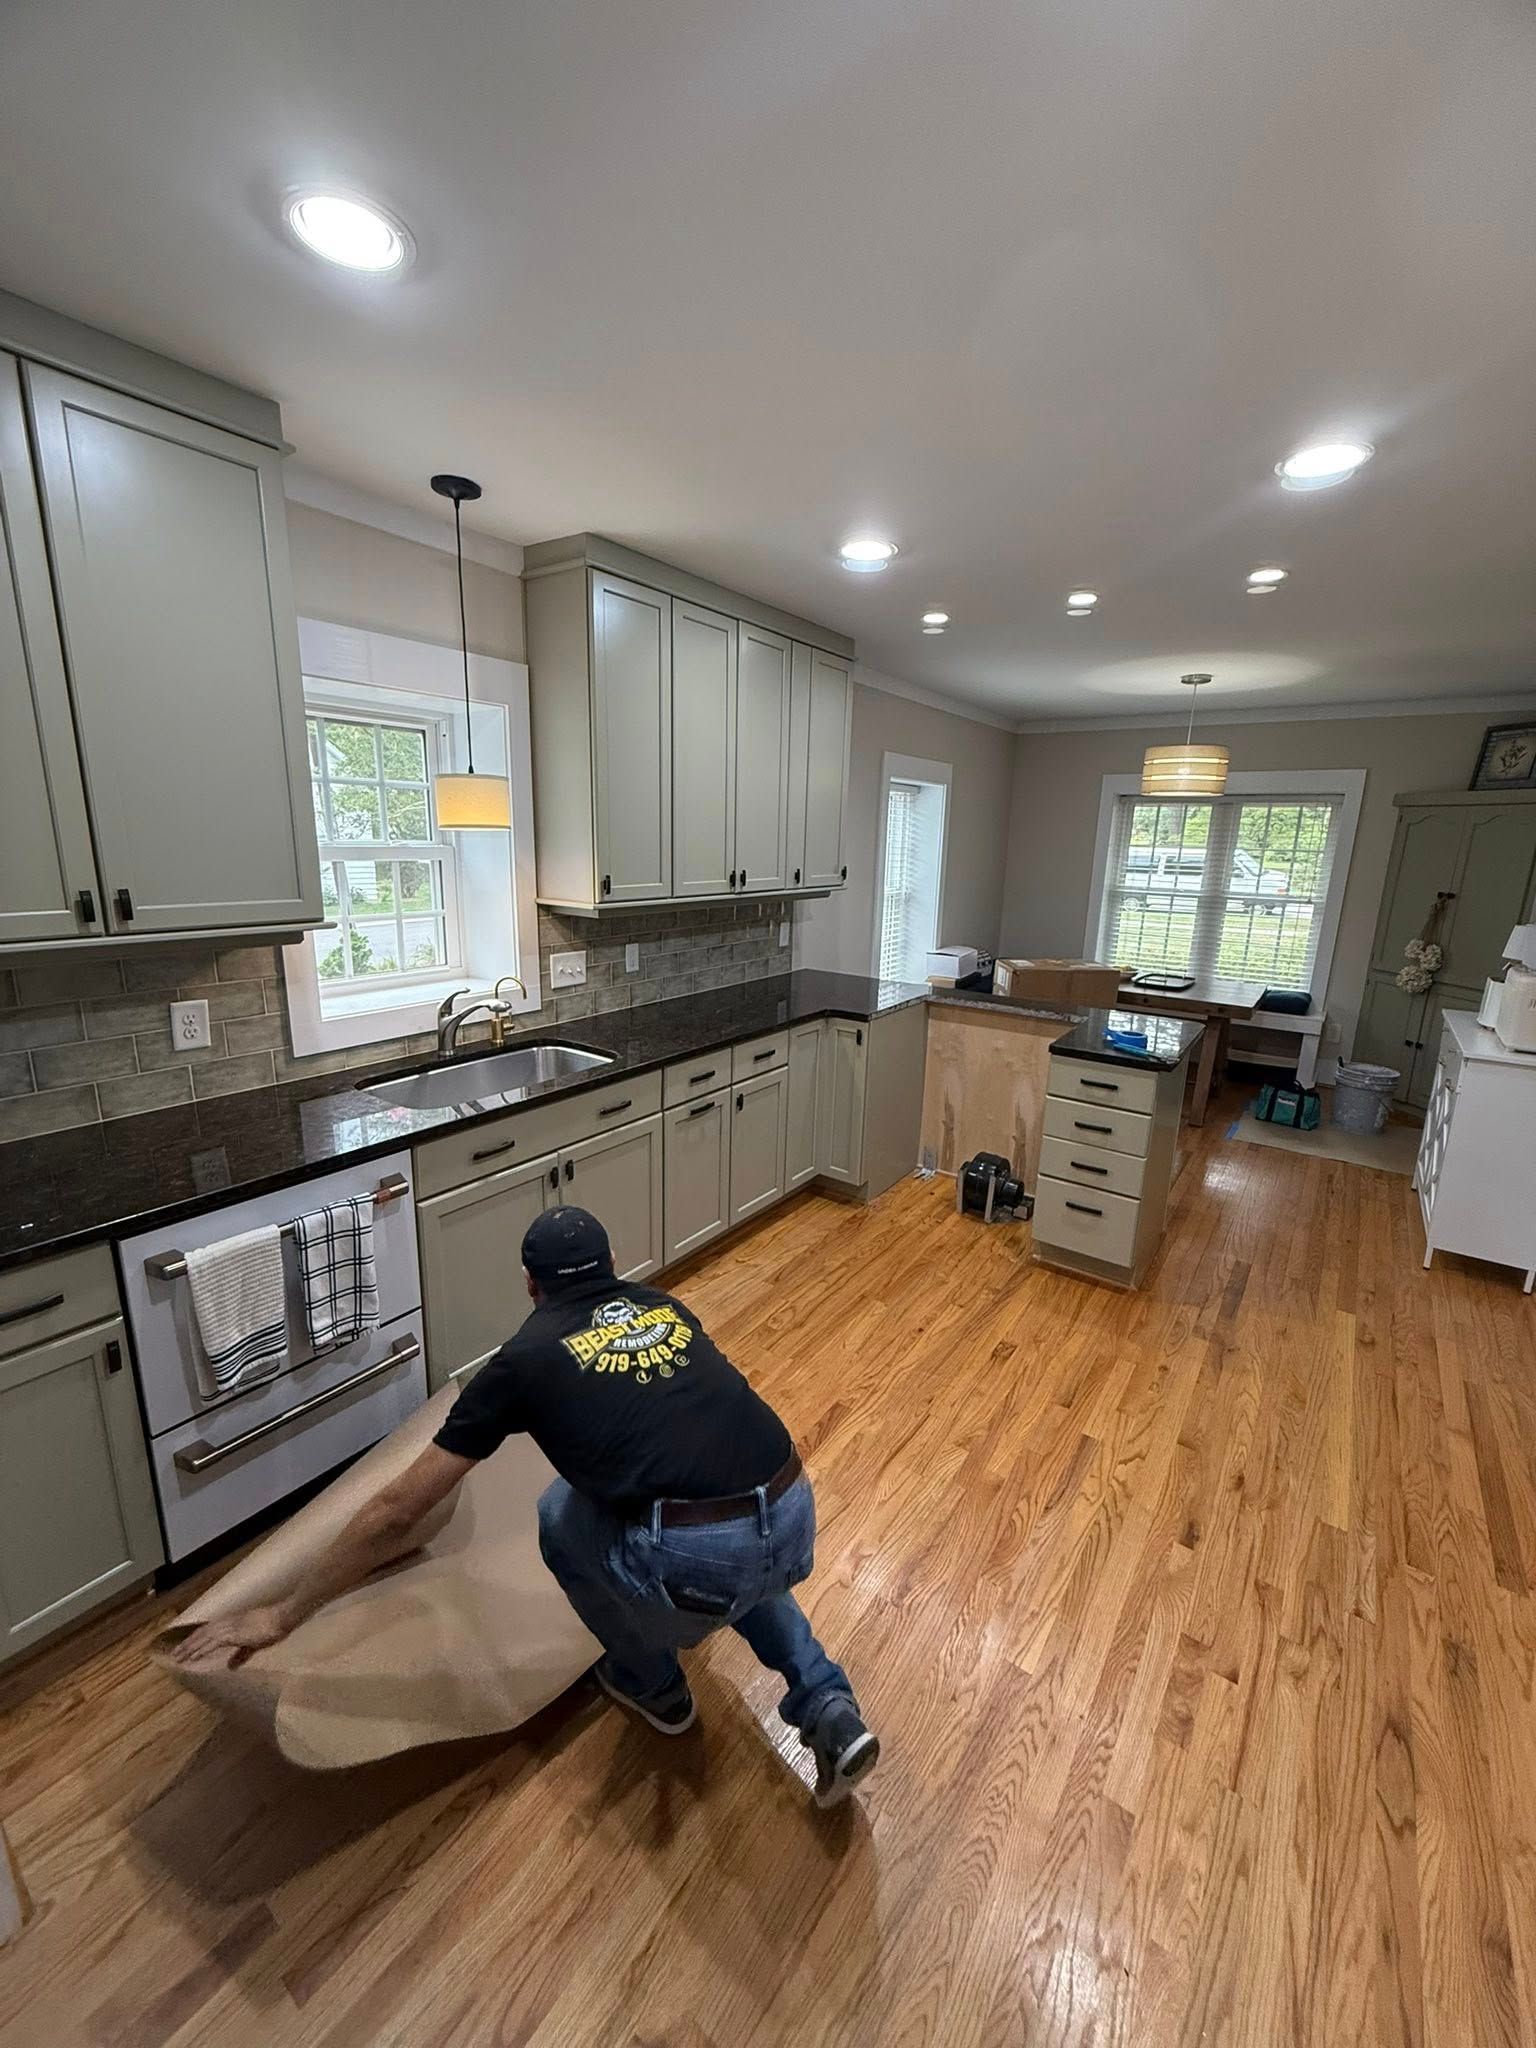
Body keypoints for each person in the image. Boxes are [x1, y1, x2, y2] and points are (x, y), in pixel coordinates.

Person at [176, 1206, 879, 1807]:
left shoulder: (523, 1361)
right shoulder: (662, 1305)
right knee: (722, 1519)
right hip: (792, 1508)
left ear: (530, 1285)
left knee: (559, 1516)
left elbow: (397, 1508)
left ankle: (654, 1687)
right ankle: (827, 1704)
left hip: (702, 1559)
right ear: (611, 1265)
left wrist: (280, 1614)